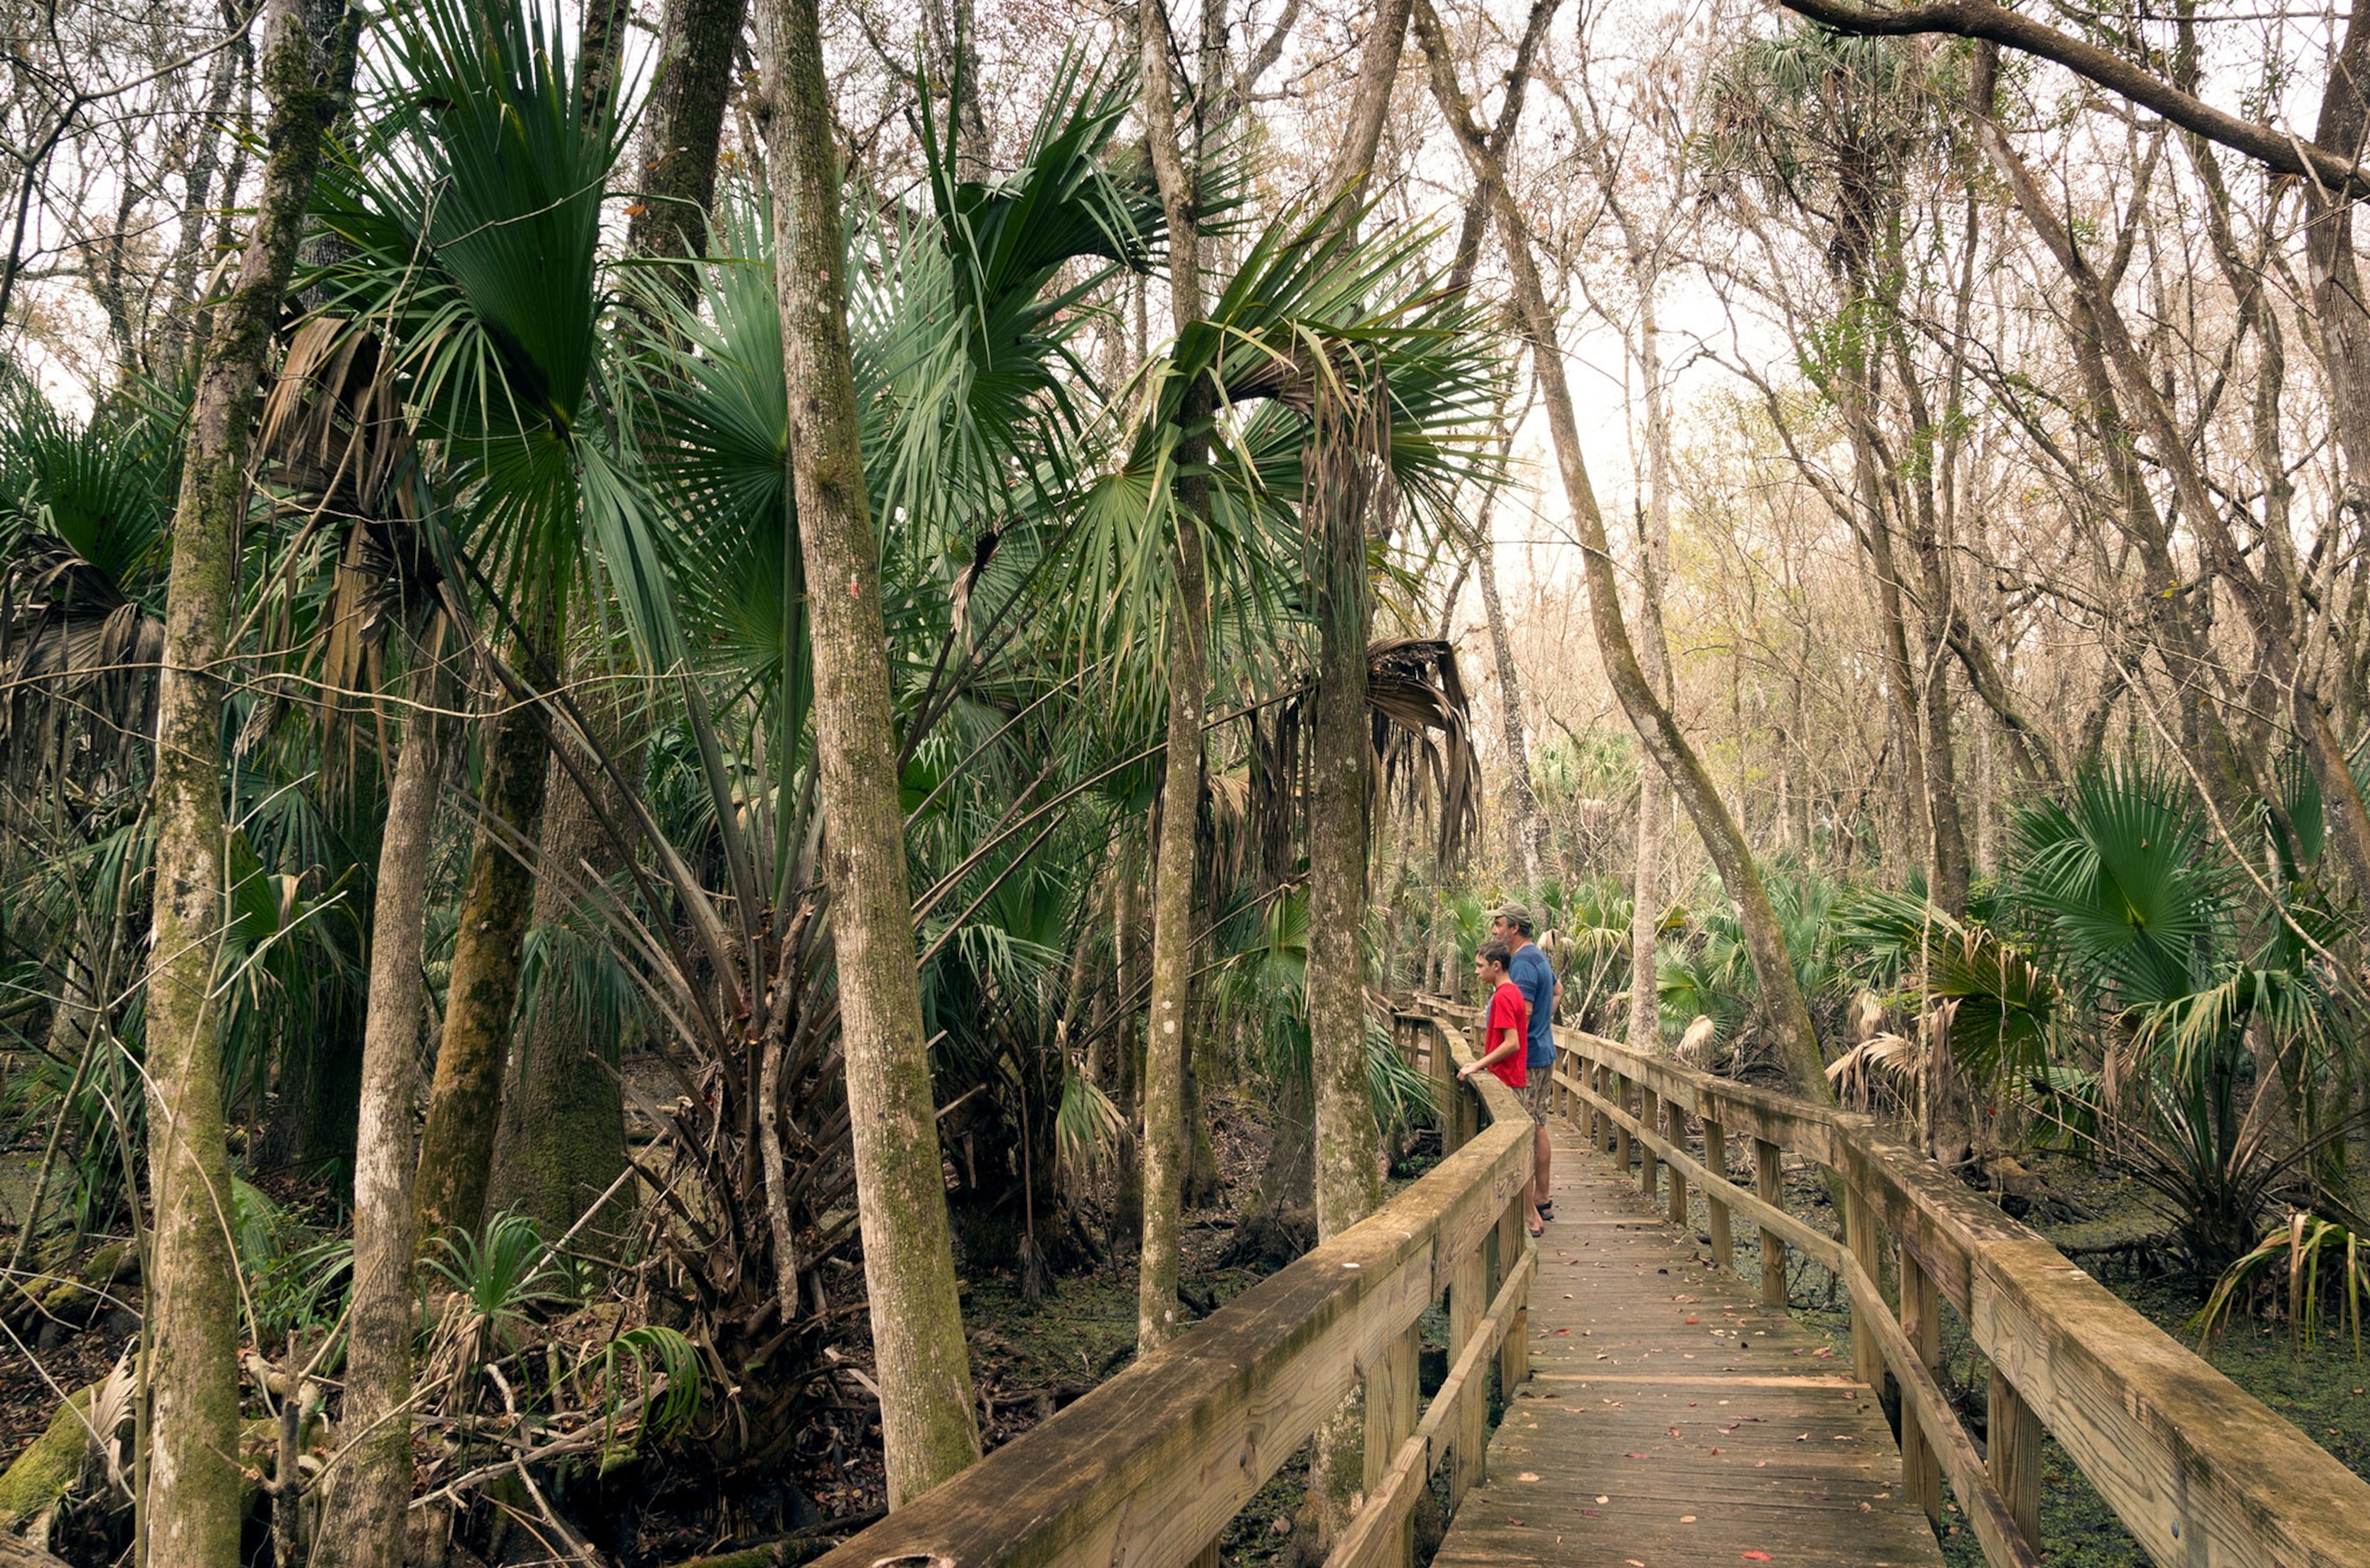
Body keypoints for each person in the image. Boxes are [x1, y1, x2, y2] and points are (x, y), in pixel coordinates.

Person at [1460, 940, 1545, 1235]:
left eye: (1480, 966)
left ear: (1497, 966)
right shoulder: (1509, 994)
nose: (1477, 972)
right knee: (1515, 1155)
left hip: (1509, 1082)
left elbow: (1512, 1043)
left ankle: (1530, 1218)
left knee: (1514, 1158)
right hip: (1510, 1080)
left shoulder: (1505, 997)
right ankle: (1529, 1217)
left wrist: (1477, 1064)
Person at [1493, 903, 1558, 1225]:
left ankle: (1532, 1211)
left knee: (1526, 1129)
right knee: (1538, 1124)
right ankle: (1541, 1199)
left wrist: (1523, 1033)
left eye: (1499, 924)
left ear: (1514, 928)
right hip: (1543, 1050)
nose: (1495, 930)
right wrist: (1544, 1026)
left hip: (1528, 1059)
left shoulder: (1521, 963)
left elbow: (1525, 1011)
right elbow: (1557, 990)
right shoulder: (1539, 958)